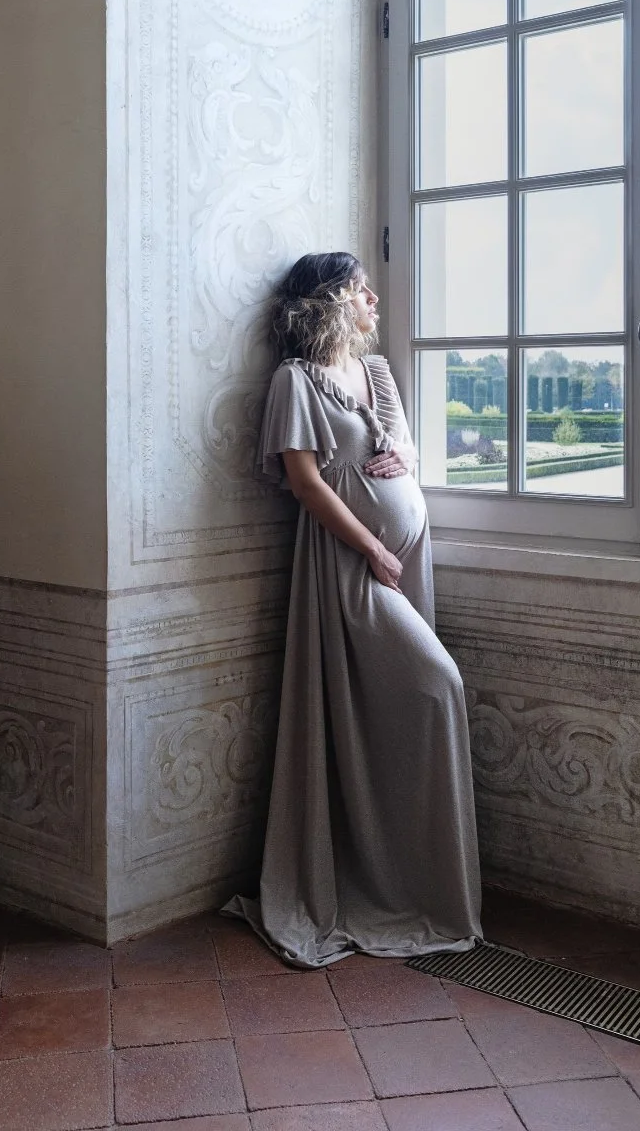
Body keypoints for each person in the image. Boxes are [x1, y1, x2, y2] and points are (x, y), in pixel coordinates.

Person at [224, 251, 483, 967]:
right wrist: (372, 546)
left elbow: (402, 446)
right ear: (328, 301)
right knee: (439, 687)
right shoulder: (295, 381)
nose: (373, 298)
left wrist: (406, 456)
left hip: (405, 563)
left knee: (393, 715)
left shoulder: (376, 374)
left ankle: (410, 881)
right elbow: (305, 484)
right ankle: (394, 885)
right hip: (348, 568)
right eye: (360, 289)